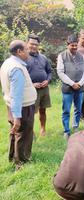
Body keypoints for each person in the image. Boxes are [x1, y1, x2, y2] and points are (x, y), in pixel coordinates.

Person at [0, 40, 37, 170]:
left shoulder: (7, 63)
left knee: (14, 132)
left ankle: (12, 157)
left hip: (11, 105)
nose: (29, 51)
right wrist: (17, 116)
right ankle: (21, 162)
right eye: (26, 49)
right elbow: (16, 94)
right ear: (19, 51)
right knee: (23, 133)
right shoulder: (16, 68)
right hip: (22, 107)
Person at [57, 34, 84, 139]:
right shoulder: (62, 56)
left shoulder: (82, 56)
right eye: (72, 45)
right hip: (68, 88)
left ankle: (75, 127)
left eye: (76, 45)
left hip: (80, 88)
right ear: (67, 45)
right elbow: (60, 72)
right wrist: (72, 83)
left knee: (78, 109)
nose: (74, 47)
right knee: (66, 110)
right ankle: (66, 130)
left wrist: (80, 83)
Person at [26, 34, 52, 136]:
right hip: (31, 90)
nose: (34, 46)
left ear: (38, 45)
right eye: (31, 44)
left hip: (44, 89)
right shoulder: (24, 58)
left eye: (36, 44)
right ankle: (30, 132)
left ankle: (43, 129)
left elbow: (49, 72)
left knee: (43, 110)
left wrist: (48, 80)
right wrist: (32, 84)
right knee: (30, 113)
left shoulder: (43, 58)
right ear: (27, 44)